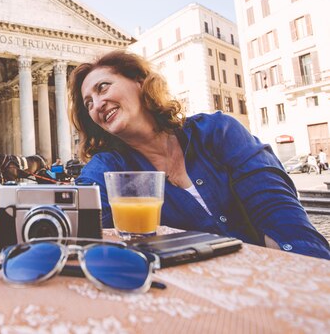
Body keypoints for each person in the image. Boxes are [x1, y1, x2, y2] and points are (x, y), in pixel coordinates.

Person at [69, 50, 329, 259]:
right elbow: (87, 234)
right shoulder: (105, 168)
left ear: (139, 81)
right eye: (88, 103)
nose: (97, 105)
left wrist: (306, 272)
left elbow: (278, 210)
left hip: (268, 281)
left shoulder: (217, 131)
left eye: (102, 88)